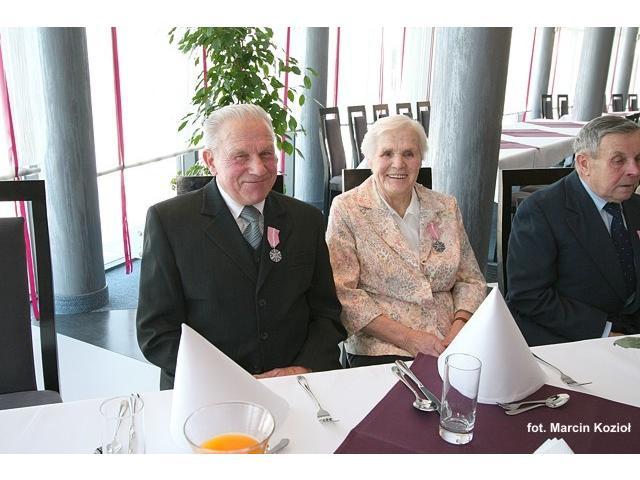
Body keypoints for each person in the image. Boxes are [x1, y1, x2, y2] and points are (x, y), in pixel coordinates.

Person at [137, 104, 346, 389]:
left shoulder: (306, 219)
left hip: (295, 384)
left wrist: (302, 368)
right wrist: (231, 380)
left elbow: (326, 314)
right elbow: (157, 333)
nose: (258, 168)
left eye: (266, 154)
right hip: (208, 389)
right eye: (240, 156)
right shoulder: (169, 223)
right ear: (210, 160)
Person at [325, 115, 486, 367]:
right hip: (383, 347)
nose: (398, 164)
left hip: (454, 341)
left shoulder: (445, 206)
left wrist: (459, 329)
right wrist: (409, 338)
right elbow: (343, 294)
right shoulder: (347, 209)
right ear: (370, 159)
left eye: (409, 154)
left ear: (420, 159)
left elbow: (471, 279)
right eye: (387, 153)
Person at [507, 115, 640, 346]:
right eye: (618, 161)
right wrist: (605, 332)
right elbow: (528, 297)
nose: (634, 171)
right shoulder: (541, 211)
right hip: (573, 339)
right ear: (584, 164)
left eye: (638, 159)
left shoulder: (634, 205)